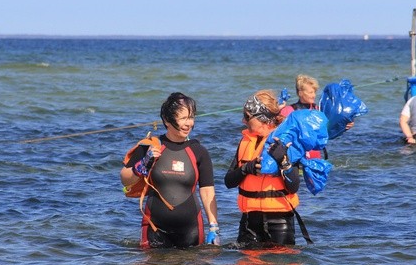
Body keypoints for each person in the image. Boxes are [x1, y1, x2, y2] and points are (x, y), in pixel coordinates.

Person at [120, 92, 219, 249]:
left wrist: (214, 227)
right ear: (167, 120)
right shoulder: (149, 146)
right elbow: (125, 179)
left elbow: (207, 192)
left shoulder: (199, 151)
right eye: (183, 118)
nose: (189, 123)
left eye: (191, 117)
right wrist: (142, 165)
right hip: (154, 227)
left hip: (191, 229)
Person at [224, 90, 301, 246]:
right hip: (249, 223)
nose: (243, 121)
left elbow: (293, 186)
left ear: (262, 118)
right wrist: (246, 169)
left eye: (247, 116)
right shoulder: (245, 142)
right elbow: (228, 181)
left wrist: (283, 160)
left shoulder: (285, 140)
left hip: (279, 223)